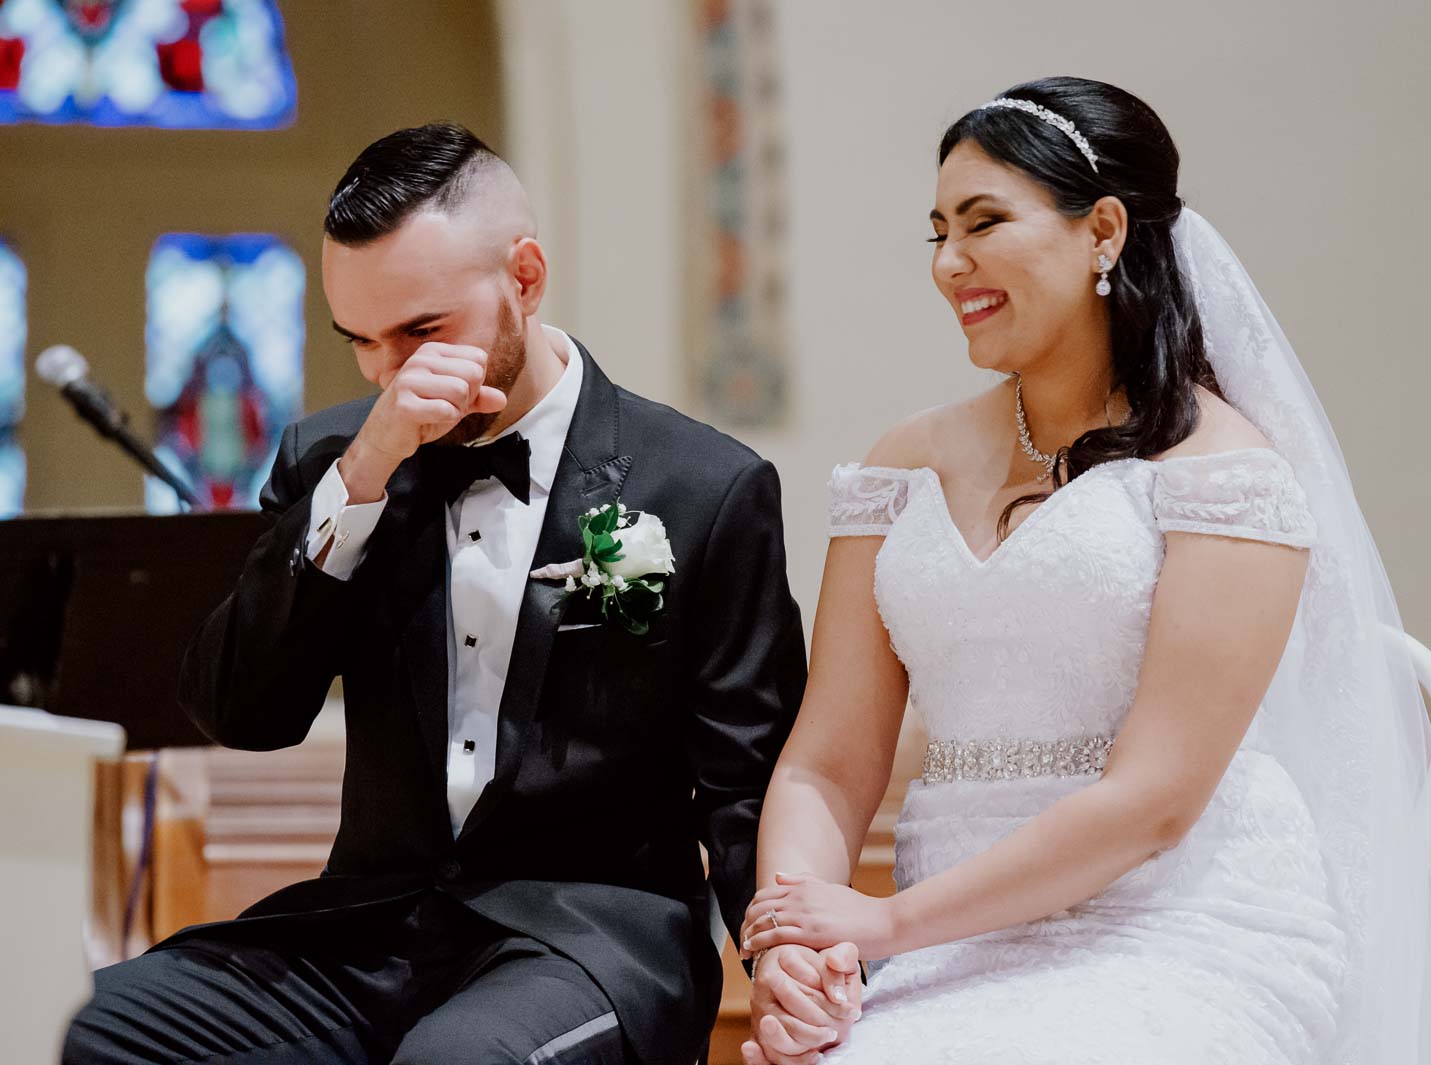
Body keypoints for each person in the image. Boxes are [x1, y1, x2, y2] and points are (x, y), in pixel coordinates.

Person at [62, 122, 858, 1065]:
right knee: (74, 1024)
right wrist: (361, 476)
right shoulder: (335, 459)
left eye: (420, 330)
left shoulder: (704, 486)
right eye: (359, 339)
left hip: (590, 938)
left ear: (523, 277)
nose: (385, 371)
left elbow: (744, 781)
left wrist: (782, 960)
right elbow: (244, 709)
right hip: (369, 931)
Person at [736, 77, 1431, 1064]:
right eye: (936, 232)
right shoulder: (898, 470)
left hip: (1181, 934)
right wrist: (798, 934)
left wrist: (886, 925)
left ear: (1103, 232)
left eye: (983, 223)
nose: (948, 263)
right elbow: (827, 763)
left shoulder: (1223, 477)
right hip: (944, 949)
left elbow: (1153, 803)